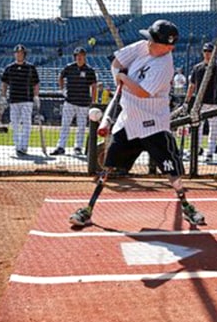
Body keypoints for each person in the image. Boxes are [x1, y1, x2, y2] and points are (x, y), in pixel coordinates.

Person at [69, 19, 205, 227]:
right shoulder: (143, 46)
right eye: (150, 39)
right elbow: (116, 62)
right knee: (108, 167)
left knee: (171, 171)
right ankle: (88, 210)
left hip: (154, 125)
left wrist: (123, 79)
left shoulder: (165, 66)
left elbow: (142, 92)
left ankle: (186, 206)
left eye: (154, 41)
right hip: (129, 121)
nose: (149, 43)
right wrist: (119, 77)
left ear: (169, 47)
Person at [184, 42, 217, 162]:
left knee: (213, 129)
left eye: (210, 51)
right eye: (205, 51)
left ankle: (210, 153)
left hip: (214, 103)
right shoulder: (197, 68)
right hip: (200, 104)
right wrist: (187, 101)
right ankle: (196, 149)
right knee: (197, 127)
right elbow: (192, 86)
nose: (207, 54)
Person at [51, 47, 98, 156]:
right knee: (65, 125)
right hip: (70, 101)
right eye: (77, 56)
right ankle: (61, 147)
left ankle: (78, 147)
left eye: (81, 55)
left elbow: (94, 86)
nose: (79, 57)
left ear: (84, 57)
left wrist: (93, 101)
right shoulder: (69, 68)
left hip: (84, 103)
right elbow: (61, 77)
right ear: (75, 57)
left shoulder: (89, 70)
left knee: (81, 126)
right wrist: (62, 90)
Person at [0, 44, 40, 157]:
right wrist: (3, 96)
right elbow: (4, 83)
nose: (19, 54)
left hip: (27, 99)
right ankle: (17, 146)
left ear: (24, 54)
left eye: (21, 53)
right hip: (14, 100)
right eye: (17, 53)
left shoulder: (31, 68)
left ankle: (24, 146)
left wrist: (36, 96)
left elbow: (36, 83)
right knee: (15, 123)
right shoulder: (9, 68)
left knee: (26, 123)